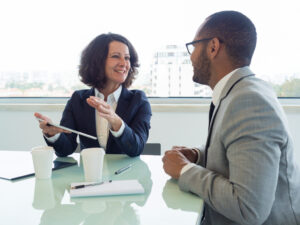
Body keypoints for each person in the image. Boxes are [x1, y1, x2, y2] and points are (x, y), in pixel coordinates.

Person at [162, 11, 300, 225]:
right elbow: (232, 154)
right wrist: (198, 156)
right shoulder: (240, 91)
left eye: (194, 46)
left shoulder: (249, 101)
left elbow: (249, 208)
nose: (190, 56)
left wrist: (185, 170)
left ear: (213, 47)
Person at [35, 33, 151, 157]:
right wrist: (53, 134)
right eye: (116, 56)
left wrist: (116, 121)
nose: (124, 63)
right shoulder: (78, 100)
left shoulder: (138, 100)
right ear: (97, 61)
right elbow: (65, 150)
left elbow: (136, 148)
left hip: (125, 175)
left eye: (127, 58)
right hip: (90, 175)